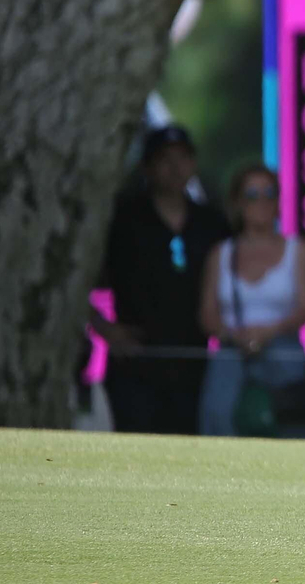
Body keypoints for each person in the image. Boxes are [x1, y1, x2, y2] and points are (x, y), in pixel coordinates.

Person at [94, 125, 231, 434]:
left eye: (183, 158)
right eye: (165, 159)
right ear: (147, 167)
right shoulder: (123, 219)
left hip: (195, 361)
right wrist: (104, 328)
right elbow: (75, 283)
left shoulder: (212, 222)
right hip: (136, 360)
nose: (175, 168)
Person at [197, 164, 305, 438]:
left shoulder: (299, 250)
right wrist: (236, 336)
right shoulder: (221, 254)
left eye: (270, 193)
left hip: (284, 351)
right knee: (219, 421)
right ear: (238, 203)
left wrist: (268, 332)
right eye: (252, 194)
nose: (262, 201)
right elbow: (207, 315)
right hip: (232, 352)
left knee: (293, 430)